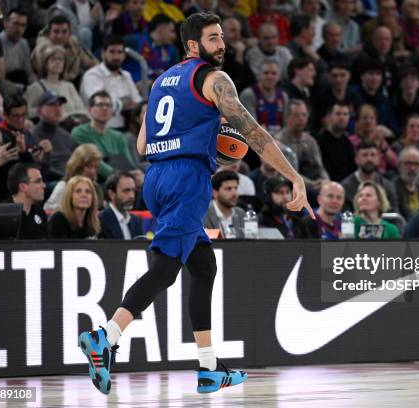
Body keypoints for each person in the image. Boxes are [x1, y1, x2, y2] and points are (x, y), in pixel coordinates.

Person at [78, 12, 312, 395]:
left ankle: (208, 368)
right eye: (213, 38)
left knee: (203, 266)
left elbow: (140, 145)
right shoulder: (215, 80)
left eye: (222, 36)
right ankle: (105, 335)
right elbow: (252, 133)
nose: (222, 44)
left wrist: (198, 135)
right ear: (193, 45)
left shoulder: (160, 83)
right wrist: (293, 176)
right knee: (166, 269)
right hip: (186, 179)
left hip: (156, 177)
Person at [80, 35, 142, 130]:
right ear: (103, 54)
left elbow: (138, 103)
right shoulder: (92, 75)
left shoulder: (126, 75)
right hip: (100, 128)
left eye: (119, 52)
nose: (116, 56)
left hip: (125, 127)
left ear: (124, 55)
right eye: (112, 52)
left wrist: (118, 104)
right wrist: (123, 103)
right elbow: (100, 104)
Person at [24, 45, 89, 126]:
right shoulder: (36, 87)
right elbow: (26, 112)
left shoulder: (69, 86)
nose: (58, 62)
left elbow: (81, 109)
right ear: (45, 64)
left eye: (61, 59)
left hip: (73, 126)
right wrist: (45, 111)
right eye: (53, 59)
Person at [45, 143, 103, 212]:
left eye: (96, 167)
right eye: (89, 166)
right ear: (78, 166)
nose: (93, 171)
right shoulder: (64, 186)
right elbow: (48, 210)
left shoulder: (96, 188)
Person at [7, 162, 48, 239]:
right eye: (38, 181)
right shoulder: (4, 214)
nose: (44, 185)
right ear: (23, 187)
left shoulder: (40, 212)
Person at [99, 171, 142, 239]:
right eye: (126, 191)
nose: (132, 196)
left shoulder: (136, 221)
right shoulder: (100, 220)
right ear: (111, 194)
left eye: (133, 190)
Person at [203, 170, 246, 238]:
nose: (235, 193)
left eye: (236, 188)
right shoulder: (203, 214)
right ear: (214, 193)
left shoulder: (241, 213)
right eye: (228, 189)